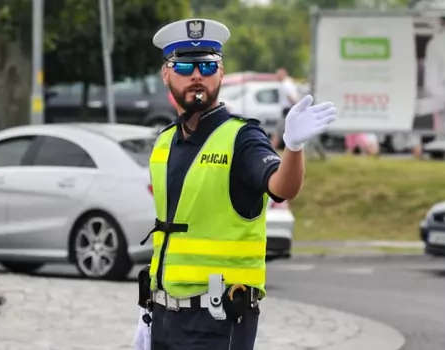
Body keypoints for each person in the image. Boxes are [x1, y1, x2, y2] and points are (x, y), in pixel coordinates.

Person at [132, 18, 337, 350]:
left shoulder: (242, 138)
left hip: (218, 320)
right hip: (165, 317)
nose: (197, 75)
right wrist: (149, 312)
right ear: (166, 75)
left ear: (222, 73)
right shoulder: (166, 142)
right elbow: (170, 239)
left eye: (208, 66)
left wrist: (293, 147)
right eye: (184, 65)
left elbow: (282, 187)